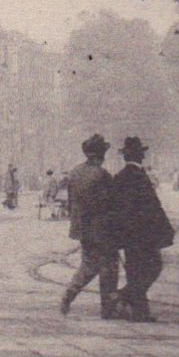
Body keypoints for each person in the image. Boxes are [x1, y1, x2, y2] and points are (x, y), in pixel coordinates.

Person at [112, 136, 174, 322]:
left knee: (134, 270)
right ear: (139, 156)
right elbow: (152, 207)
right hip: (144, 233)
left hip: (128, 234)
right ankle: (124, 297)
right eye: (141, 153)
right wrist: (164, 229)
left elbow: (116, 207)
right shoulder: (139, 176)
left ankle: (139, 310)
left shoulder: (120, 177)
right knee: (153, 267)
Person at [61, 134, 119, 318]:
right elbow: (111, 203)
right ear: (100, 155)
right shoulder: (102, 175)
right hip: (102, 229)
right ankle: (107, 309)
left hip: (82, 229)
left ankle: (69, 294)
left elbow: (71, 203)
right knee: (109, 267)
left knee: (87, 265)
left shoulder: (75, 172)